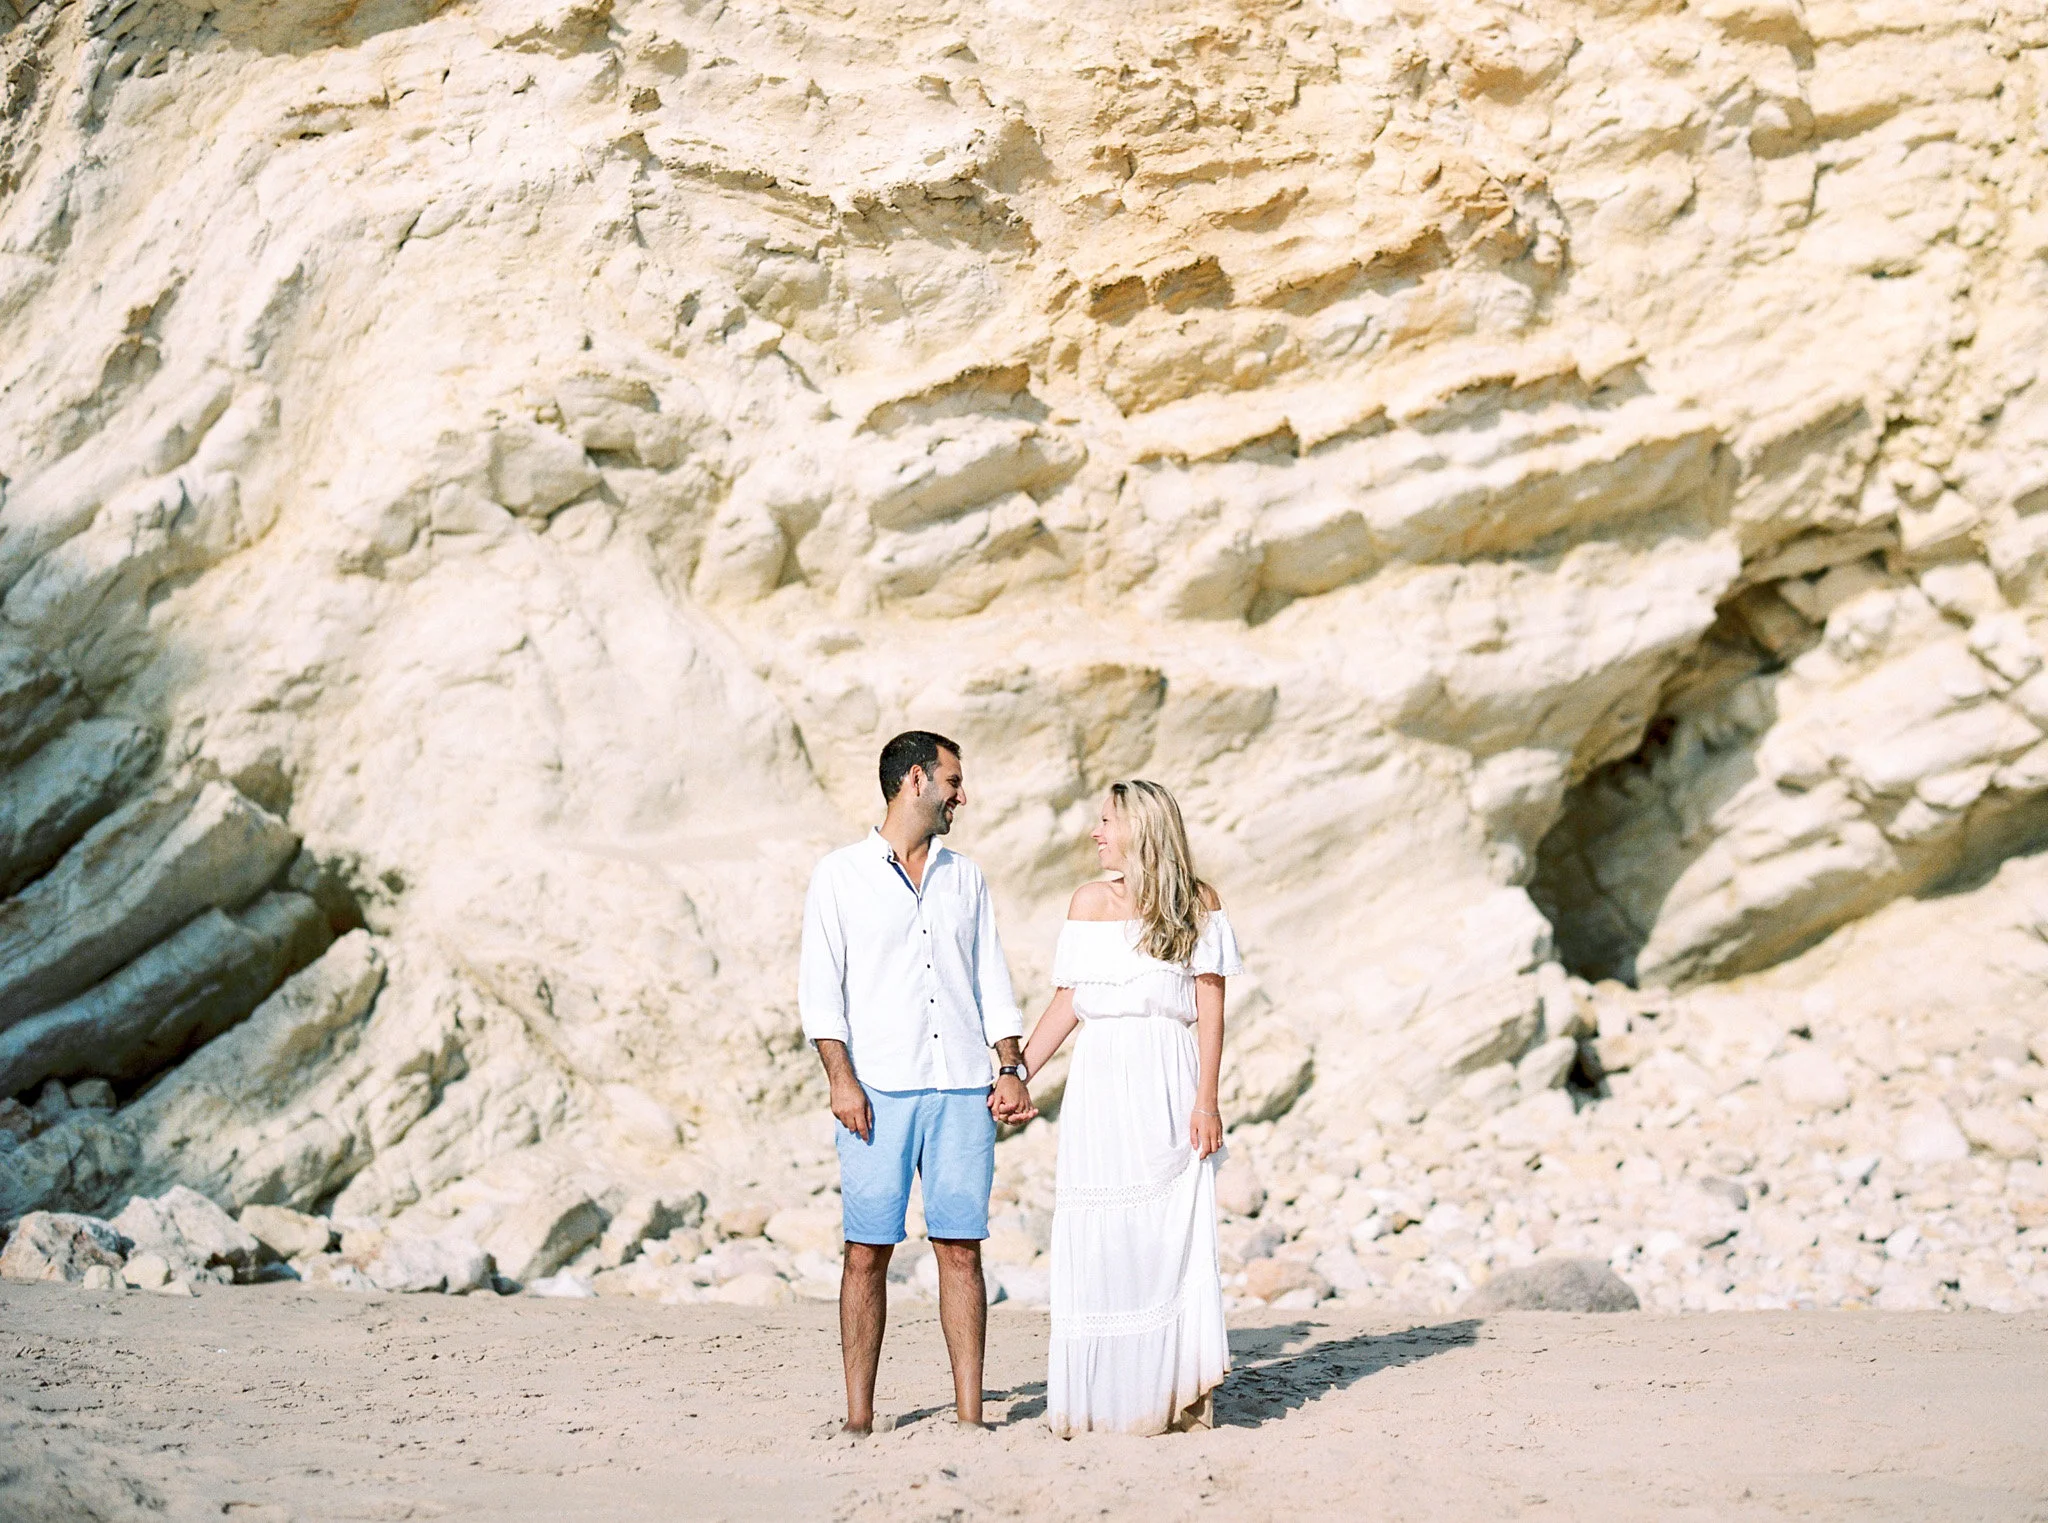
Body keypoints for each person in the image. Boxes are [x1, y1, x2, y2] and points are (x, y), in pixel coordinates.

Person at [798, 730, 1033, 1434]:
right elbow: (820, 993)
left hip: (962, 1085)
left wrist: (1011, 1066)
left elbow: (992, 976)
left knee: (960, 1247)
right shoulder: (839, 875)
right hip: (879, 1090)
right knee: (866, 1251)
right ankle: (859, 1418)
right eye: (954, 780)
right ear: (915, 782)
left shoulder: (967, 877)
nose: (964, 794)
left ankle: (970, 1415)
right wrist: (843, 1080)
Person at [1010, 778, 1241, 1436]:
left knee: (1167, 1235)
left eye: (1106, 820)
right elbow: (1068, 1001)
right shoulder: (1087, 901)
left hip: (1169, 1081)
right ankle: (1102, 1403)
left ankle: (1174, 1397)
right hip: (1102, 1085)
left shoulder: (1199, 903)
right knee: (1103, 1238)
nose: (1095, 832)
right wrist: (1017, 1072)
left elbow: (1211, 1009)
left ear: (1140, 826)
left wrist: (1207, 1100)